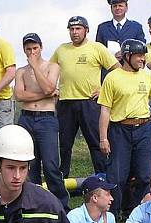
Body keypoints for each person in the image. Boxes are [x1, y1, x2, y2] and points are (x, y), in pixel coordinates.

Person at [98, 38, 151, 218]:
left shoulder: (147, 76)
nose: (142, 59)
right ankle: (112, 215)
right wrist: (103, 138)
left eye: (143, 56)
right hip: (120, 129)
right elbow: (105, 109)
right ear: (127, 56)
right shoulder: (112, 78)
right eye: (139, 56)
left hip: (144, 129)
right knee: (118, 177)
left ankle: (137, 214)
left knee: (144, 176)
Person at [50, 16, 119, 178]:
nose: (75, 32)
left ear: (86, 30)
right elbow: (51, 69)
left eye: (78, 29)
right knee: (64, 144)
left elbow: (117, 69)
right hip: (66, 102)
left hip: (90, 102)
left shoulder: (97, 48)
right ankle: (62, 178)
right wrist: (51, 86)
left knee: (96, 143)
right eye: (72, 29)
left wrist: (104, 89)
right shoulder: (61, 49)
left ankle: (102, 178)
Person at [15, 33, 68, 208]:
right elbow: (19, 95)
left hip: (46, 119)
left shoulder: (52, 67)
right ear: (24, 50)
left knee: (51, 164)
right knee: (30, 164)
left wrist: (35, 67)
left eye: (35, 49)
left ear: (41, 48)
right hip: (26, 118)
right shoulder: (21, 71)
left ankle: (61, 205)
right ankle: (32, 203)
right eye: (28, 49)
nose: (32, 53)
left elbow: (49, 86)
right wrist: (45, 94)